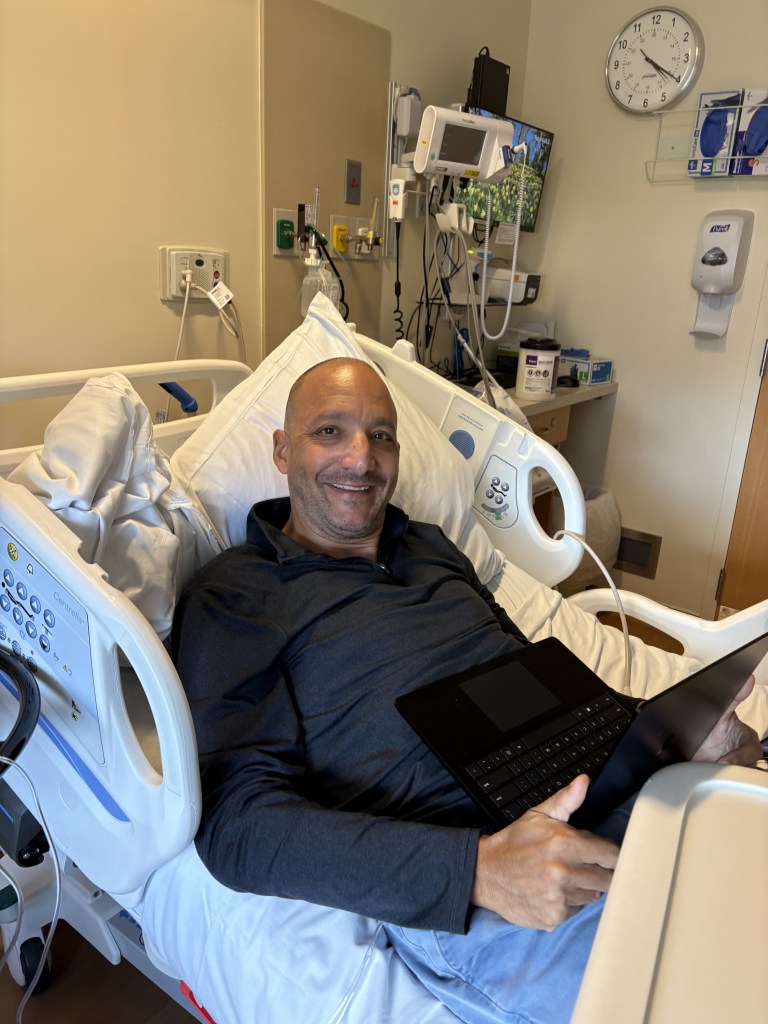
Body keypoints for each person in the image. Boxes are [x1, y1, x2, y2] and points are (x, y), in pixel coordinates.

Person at [171, 357, 760, 1024]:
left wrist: (660, 738)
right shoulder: (237, 595)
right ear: (283, 450)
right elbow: (238, 825)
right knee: (707, 996)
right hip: (481, 865)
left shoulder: (429, 545)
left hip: (600, 785)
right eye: (329, 431)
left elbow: (528, 664)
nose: (361, 459)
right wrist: (478, 870)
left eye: (381, 435)